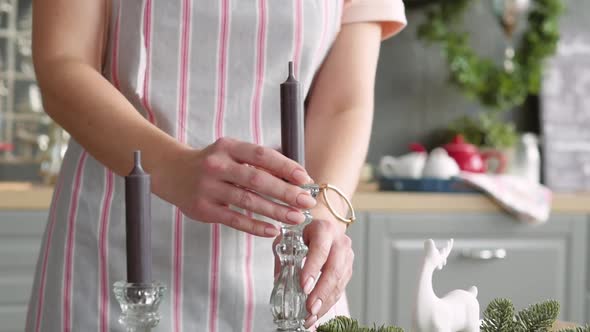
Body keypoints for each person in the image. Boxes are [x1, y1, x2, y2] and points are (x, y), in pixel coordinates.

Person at [25, 0, 406, 331]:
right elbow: (63, 61)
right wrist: (172, 168)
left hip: (287, 270)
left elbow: (343, 104)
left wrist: (325, 218)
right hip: (114, 257)